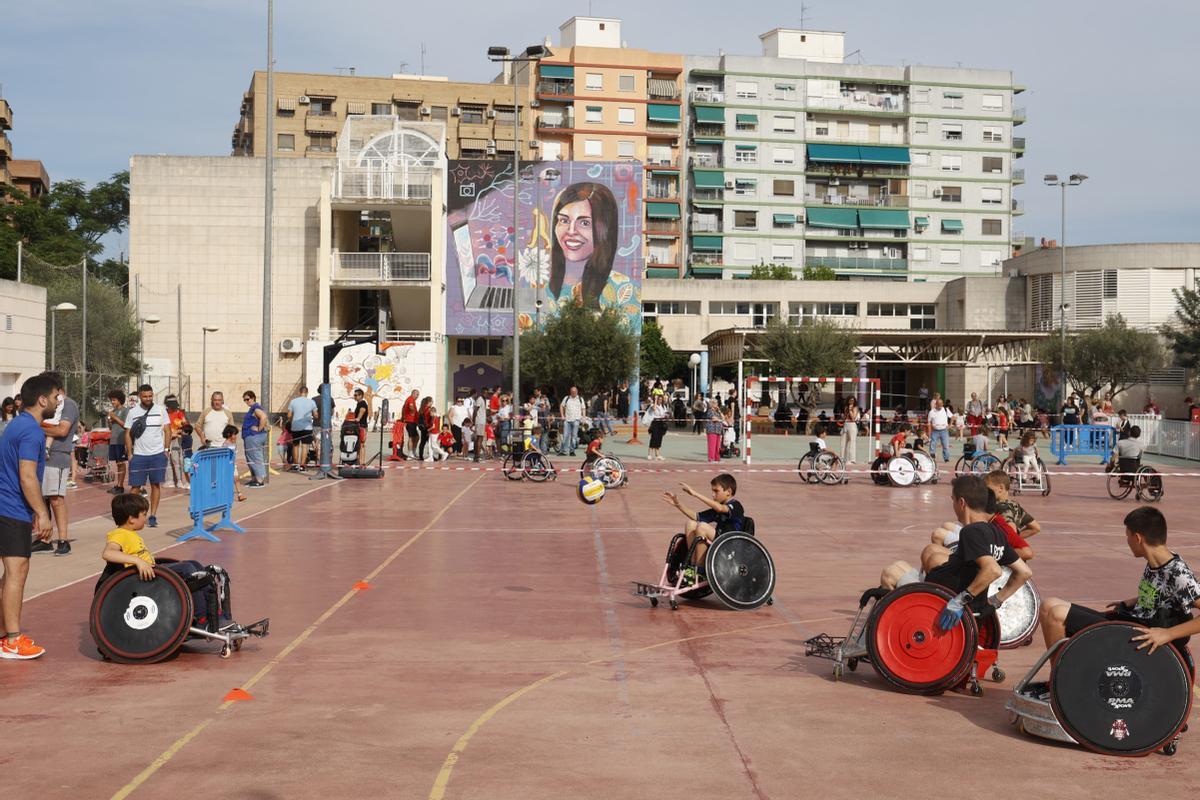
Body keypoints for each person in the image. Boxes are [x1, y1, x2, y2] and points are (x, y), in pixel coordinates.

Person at [1039, 507, 1200, 653]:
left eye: (1127, 536)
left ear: (1137, 538)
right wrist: (1134, 601)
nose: (1127, 541)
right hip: (1131, 620)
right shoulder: (1157, 560)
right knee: (1048, 604)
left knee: (1057, 614)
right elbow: (1165, 594)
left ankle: (1058, 679)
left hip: (1137, 631)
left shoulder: (1178, 573)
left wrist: (1167, 634)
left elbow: (1182, 591)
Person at [880, 475, 1033, 630]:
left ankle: (894, 632)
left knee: (890, 573)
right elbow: (1024, 572)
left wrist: (959, 601)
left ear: (961, 503)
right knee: (901, 565)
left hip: (938, 602)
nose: (953, 505)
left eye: (953, 500)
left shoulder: (971, 531)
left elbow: (993, 569)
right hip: (957, 599)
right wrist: (995, 601)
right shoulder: (997, 533)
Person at [100, 493, 228, 629]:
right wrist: (138, 561)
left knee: (195, 565)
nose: (146, 518)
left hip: (152, 572)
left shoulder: (131, 534)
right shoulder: (119, 534)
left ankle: (214, 613)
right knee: (188, 570)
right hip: (140, 580)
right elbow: (108, 553)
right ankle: (203, 618)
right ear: (131, 519)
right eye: (144, 514)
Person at [0, 373, 59, 659]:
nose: (59, 402)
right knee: (16, 572)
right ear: (42, 399)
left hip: (10, 507)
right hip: (11, 509)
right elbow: (27, 476)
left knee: (11, 573)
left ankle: (5, 635)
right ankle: (12, 639)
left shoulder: (19, 425)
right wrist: (42, 513)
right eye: (57, 397)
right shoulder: (32, 431)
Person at [661, 474, 745, 576]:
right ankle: (692, 566)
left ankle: (700, 570)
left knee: (702, 527)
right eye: (712, 491)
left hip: (730, 544)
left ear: (729, 492)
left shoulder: (736, 506)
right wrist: (678, 505)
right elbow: (697, 517)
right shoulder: (718, 507)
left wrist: (695, 494)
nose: (713, 494)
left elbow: (720, 508)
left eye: (716, 491)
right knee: (691, 524)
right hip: (719, 540)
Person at [36, 374, 78, 555]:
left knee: (56, 498)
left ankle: (63, 540)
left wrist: (34, 426)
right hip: (42, 457)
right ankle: (44, 539)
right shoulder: (50, 406)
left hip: (57, 457)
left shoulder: (68, 405)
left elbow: (62, 429)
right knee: (42, 499)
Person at [125, 384, 171, 527]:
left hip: (157, 455)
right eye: (145, 396)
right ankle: (131, 515)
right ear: (140, 396)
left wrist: (166, 449)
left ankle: (153, 515)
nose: (148, 398)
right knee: (135, 487)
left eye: (150, 396)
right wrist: (130, 453)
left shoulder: (161, 410)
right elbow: (127, 433)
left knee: (155, 485)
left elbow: (168, 430)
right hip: (139, 455)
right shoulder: (133, 412)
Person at [286, 386, 319, 471]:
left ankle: (295, 465)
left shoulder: (293, 402)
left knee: (295, 446)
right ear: (307, 393)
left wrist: (293, 419)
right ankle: (302, 466)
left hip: (295, 427)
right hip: (307, 427)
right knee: (305, 446)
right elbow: (316, 415)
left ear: (299, 392)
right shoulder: (312, 402)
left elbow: (289, 415)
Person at [104, 390, 131, 495]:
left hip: (121, 440)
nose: (112, 402)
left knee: (121, 462)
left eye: (114, 400)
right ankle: (118, 485)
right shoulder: (113, 412)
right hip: (113, 440)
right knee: (117, 463)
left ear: (120, 400)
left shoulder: (125, 411)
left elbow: (126, 425)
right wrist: (109, 421)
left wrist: (115, 418)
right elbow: (111, 428)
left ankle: (120, 486)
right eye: (111, 400)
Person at [240, 390, 268, 488]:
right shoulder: (252, 408)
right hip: (250, 436)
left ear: (253, 398)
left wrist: (259, 429)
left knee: (255, 457)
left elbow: (263, 417)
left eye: (247, 399)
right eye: (244, 400)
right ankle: (254, 478)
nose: (246, 401)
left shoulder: (255, 408)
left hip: (253, 436)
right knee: (250, 457)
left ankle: (260, 480)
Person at [163, 394, 188, 489]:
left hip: (176, 440)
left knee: (176, 460)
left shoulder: (179, 414)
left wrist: (177, 432)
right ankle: (170, 480)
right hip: (166, 439)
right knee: (167, 460)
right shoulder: (164, 413)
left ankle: (180, 480)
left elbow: (186, 426)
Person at [221, 425, 247, 502]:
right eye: (234, 434)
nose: (235, 436)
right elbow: (226, 453)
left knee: (236, 479)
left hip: (232, 465)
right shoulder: (226, 444)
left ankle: (240, 494)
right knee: (227, 481)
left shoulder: (233, 443)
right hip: (226, 466)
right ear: (229, 434)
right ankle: (225, 496)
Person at [560, 386, 586, 457]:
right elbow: (561, 406)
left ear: (577, 392)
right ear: (570, 392)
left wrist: (583, 417)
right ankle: (564, 451)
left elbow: (583, 408)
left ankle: (572, 451)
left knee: (574, 437)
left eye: (575, 391)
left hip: (576, 420)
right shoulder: (567, 398)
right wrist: (562, 415)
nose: (574, 393)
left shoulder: (580, 399)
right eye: (572, 391)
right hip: (567, 420)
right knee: (565, 436)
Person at [926, 398, 951, 462]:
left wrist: (950, 425)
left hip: (944, 430)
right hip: (935, 431)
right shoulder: (931, 412)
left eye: (941, 404)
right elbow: (929, 423)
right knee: (933, 444)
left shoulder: (945, 410)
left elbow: (952, 417)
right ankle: (932, 457)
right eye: (939, 405)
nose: (940, 406)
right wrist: (929, 433)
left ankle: (946, 458)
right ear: (936, 404)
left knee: (946, 445)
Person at [646, 393, 670, 461]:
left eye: (661, 399)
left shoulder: (663, 406)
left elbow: (665, 413)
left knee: (659, 438)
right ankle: (649, 454)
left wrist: (666, 416)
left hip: (661, 423)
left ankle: (657, 455)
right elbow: (654, 409)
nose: (660, 401)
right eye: (659, 399)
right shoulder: (653, 405)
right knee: (654, 438)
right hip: (655, 422)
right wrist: (655, 400)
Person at [840, 397, 861, 465]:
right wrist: (843, 416)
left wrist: (850, 410)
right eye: (850, 400)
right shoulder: (846, 407)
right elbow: (844, 418)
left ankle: (852, 459)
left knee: (852, 442)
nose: (851, 401)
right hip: (846, 424)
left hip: (852, 425)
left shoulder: (855, 408)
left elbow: (853, 418)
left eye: (852, 400)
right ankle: (842, 458)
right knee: (843, 442)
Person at [703, 397, 724, 463]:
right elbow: (714, 419)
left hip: (718, 430)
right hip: (712, 429)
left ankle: (717, 458)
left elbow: (723, 418)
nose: (716, 404)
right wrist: (720, 419)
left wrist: (720, 411)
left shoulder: (717, 411)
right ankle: (711, 458)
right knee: (712, 445)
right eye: (715, 403)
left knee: (717, 445)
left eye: (717, 403)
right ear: (711, 404)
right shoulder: (710, 411)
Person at [401, 389, 420, 459]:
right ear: (413, 393)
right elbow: (411, 407)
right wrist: (413, 412)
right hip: (410, 421)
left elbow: (403, 408)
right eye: (417, 394)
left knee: (416, 437)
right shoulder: (410, 400)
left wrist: (403, 417)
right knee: (411, 437)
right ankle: (410, 453)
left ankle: (413, 451)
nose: (418, 396)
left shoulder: (411, 400)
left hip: (412, 421)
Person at [417, 396, 434, 461]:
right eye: (432, 401)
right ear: (429, 402)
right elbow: (430, 418)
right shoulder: (429, 409)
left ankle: (421, 455)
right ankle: (431, 456)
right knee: (430, 443)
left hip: (422, 427)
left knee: (423, 442)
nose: (432, 402)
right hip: (427, 427)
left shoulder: (422, 408)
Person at [472, 395, 488, 462]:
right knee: (479, 438)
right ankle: (477, 456)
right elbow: (475, 410)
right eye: (485, 393)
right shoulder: (480, 399)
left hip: (481, 421)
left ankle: (476, 456)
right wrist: (473, 420)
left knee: (478, 439)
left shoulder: (482, 400)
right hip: (479, 421)